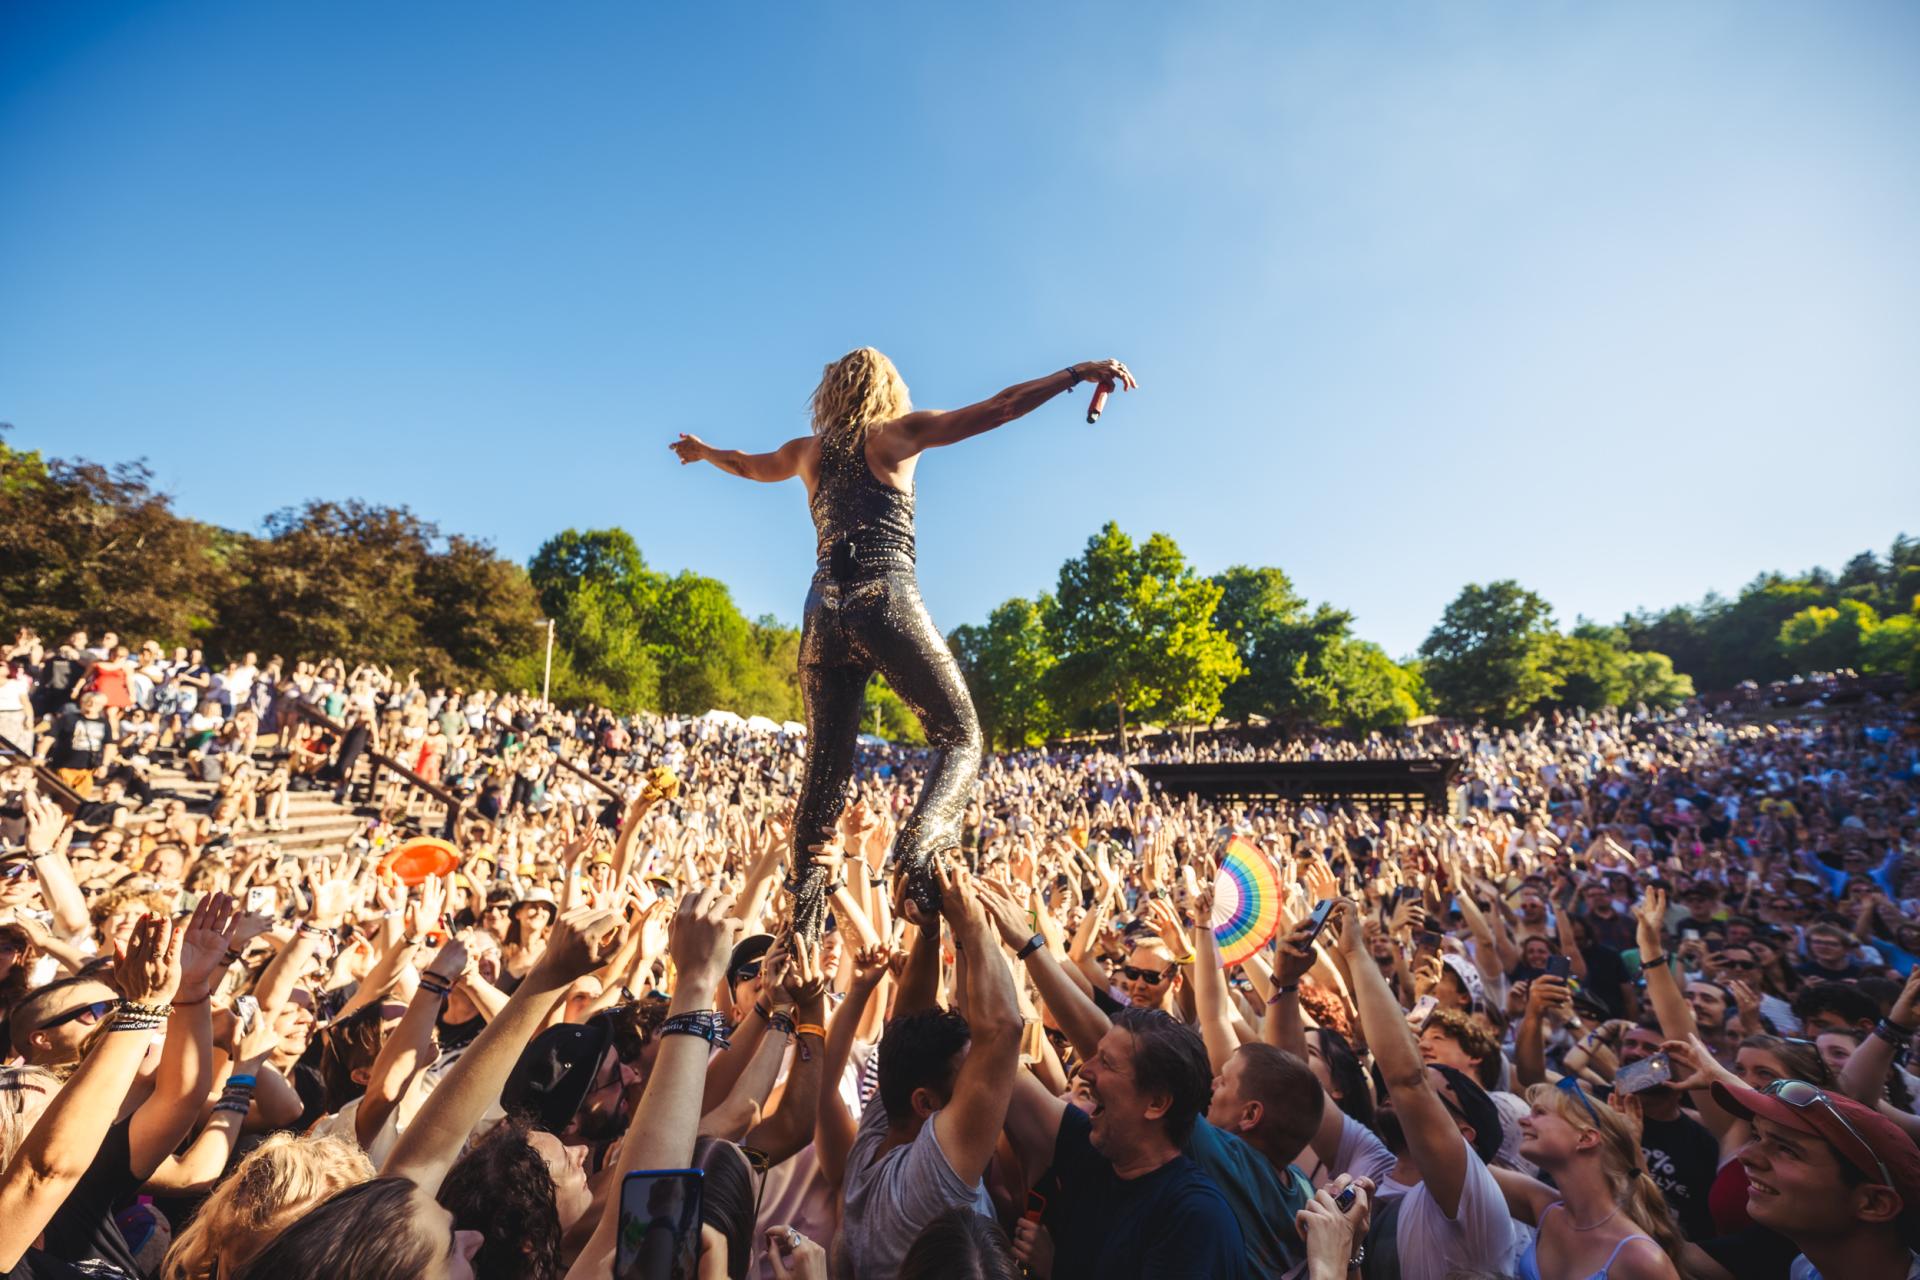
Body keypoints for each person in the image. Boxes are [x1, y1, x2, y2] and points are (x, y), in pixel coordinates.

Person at [669, 349, 1134, 933]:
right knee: (960, 736)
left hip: (822, 612)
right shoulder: (895, 435)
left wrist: (703, 452)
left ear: (829, 395)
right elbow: (1000, 407)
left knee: (823, 774)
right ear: (889, 390)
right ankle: (917, 857)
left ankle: (805, 928)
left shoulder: (804, 453)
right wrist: (1073, 375)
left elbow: (743, 464)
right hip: (883, 596)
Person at [1710, 1077, 1920, 1280]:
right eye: (1756, 1136)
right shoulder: (1804, 1268)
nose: (1745, 1156)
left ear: (1874, 1203)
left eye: (1787, 1149)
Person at [1491, 1080, 1684, 1280]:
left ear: (1585, 1138)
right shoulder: (1545, 1208)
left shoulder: (1642, 1258)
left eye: (1539, 1113)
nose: (1523, 1120)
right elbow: (1463, 1158)